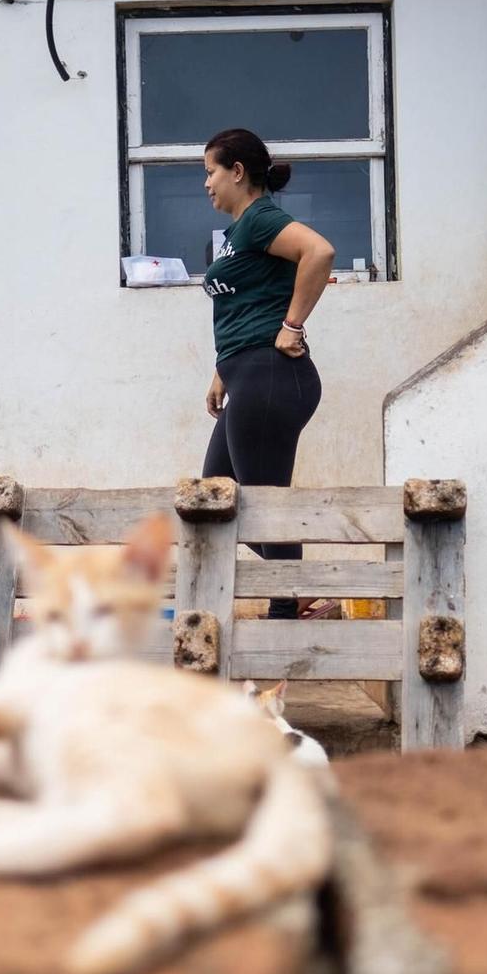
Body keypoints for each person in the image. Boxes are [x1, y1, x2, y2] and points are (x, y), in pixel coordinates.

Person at [198, 128, 336, 619]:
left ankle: (291, 599)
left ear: (238, 171)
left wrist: (292, 325)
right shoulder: (238, 233)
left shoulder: (260, 218)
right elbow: (244, 305)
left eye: (212, 172)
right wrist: (222, 372)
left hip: (271, 375)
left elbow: (318, 251)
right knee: (217, 490)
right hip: (248, 377)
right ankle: (298, 587)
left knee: (258, 506)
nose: (208, 184)